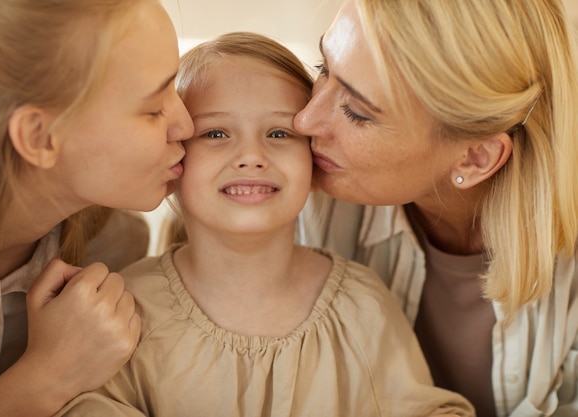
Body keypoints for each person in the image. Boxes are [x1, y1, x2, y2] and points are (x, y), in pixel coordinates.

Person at [56, 31, 474, 417]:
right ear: (172, 160)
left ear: (314, 161)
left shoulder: (362, 306)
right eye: (216, 134)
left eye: (278, 133)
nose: (251, 156)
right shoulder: (123, 311)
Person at [293, 0, 578, 415]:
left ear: (476, 157)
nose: (305, 120)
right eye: (322, 68)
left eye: (357, 112)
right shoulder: (302, 200)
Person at [0, 0, 194, 416]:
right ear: (41, 137)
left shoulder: (115, 248)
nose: (186, 126)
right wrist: (49, 376)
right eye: (154, 109)